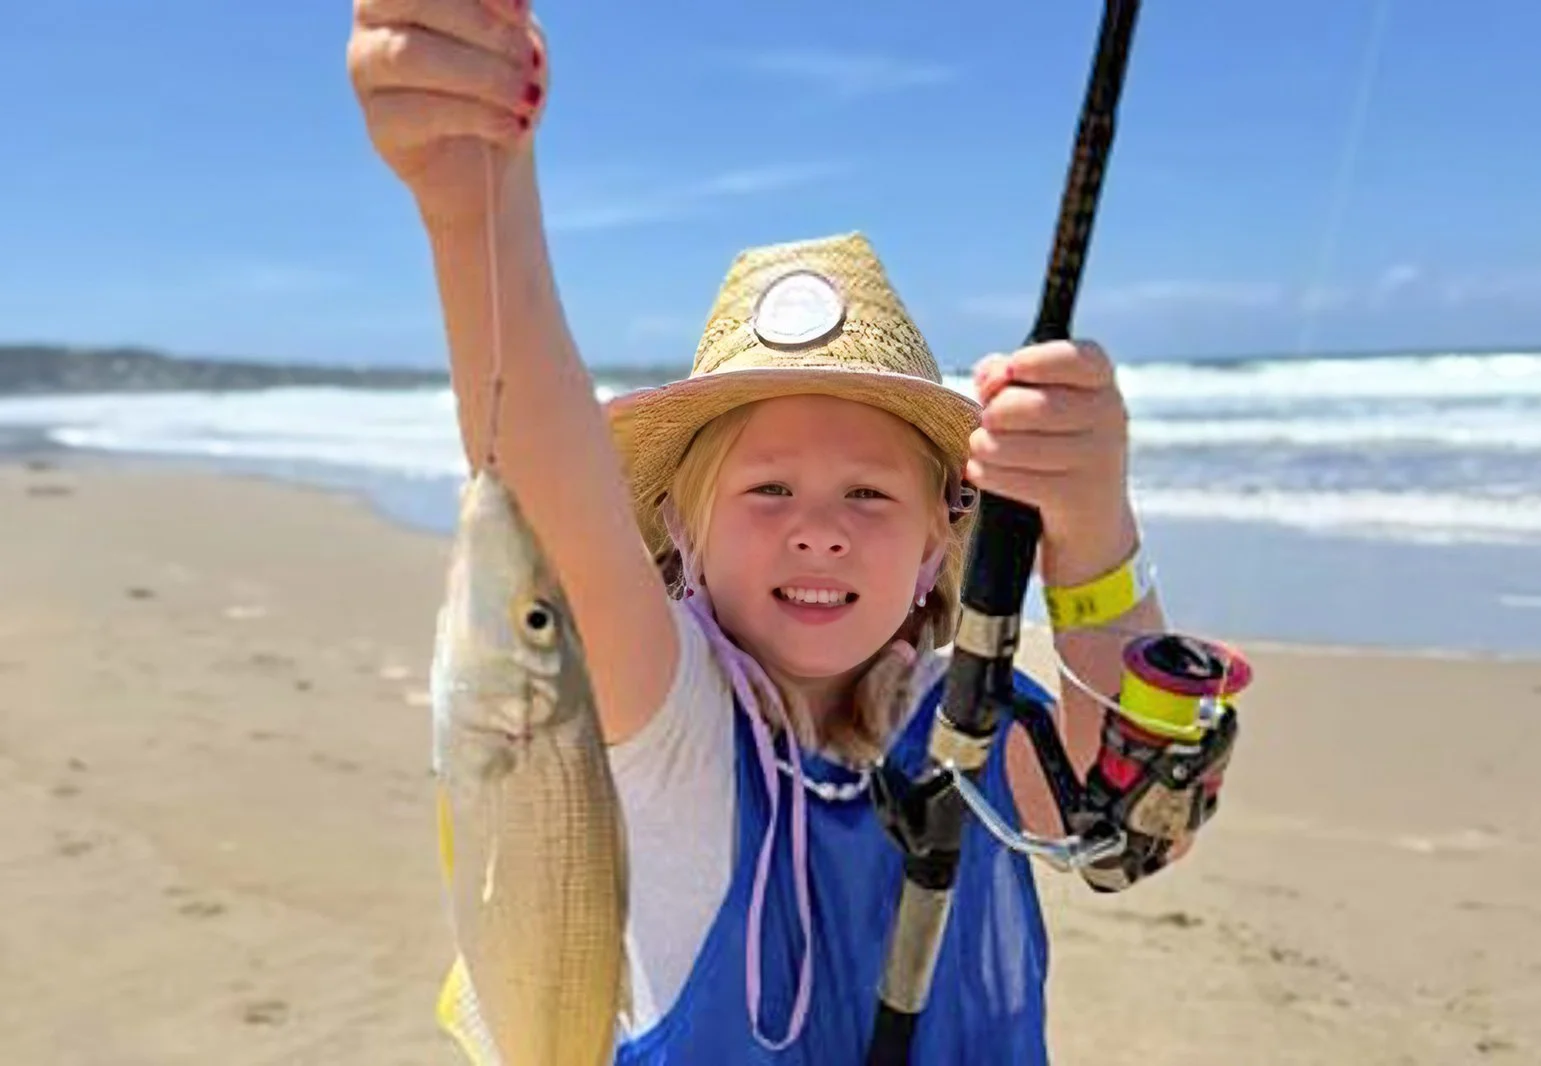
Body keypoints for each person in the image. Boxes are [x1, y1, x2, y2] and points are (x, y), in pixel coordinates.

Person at [348, 3, 1222, 1062]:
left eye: (868, 496)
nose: (818, 532)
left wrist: (1089, 531)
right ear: (680, 525)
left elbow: (1132, 835)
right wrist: (469, 195)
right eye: (766, 491)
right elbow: (550, 489)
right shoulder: (668, 722)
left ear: (942, 542)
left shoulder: (968, 720)